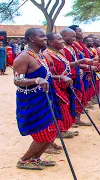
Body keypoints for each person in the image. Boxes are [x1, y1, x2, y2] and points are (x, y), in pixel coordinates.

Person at [14, 28, 60, 170]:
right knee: (41, 133)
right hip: (32, 101)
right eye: (42, 37)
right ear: (32, 39)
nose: (45, 39)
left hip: (45, 97)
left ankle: (36, 158)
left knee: (52, 130)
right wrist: (36, 80)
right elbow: (17, 81)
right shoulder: (23, 57)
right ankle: (24, 161)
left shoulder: (39, 56)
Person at [60, 28, 92, 126]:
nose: (74, 39)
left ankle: (76, 119)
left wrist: (81, 68)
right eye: (72, 36)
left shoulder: (72, 47)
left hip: (77, 76)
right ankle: (69, 122)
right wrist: (83, 64)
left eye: (75, 36)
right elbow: (65, 64)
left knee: (79, 97)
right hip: (69, 78)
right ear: (64, 36)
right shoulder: (62, 49)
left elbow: (75, 61)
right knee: (69, 101)